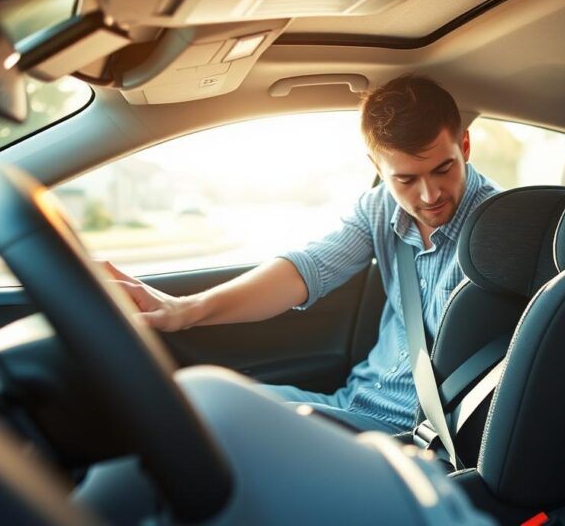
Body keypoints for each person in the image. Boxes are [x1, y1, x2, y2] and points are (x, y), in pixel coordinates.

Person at [106, 75, 500, 433]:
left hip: (422, 436)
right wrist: (184, 310)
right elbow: (307, 269)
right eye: (406, 179)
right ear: (376, 165)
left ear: (464, 145)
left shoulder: (509, 229)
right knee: (198, 403)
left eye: (443, 168)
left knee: (223, 426)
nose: (429, 195)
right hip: (352, 405)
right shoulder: (380, 207)